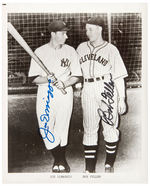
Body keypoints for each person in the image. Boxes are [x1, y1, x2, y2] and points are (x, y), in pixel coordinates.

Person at [28, 20, 82, 173]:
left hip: (64, 93)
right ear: (53, 34)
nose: (66, 36)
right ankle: (60, 159)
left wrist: (64, 84)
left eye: (66, 32)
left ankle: (59, 161)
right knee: (46, 126)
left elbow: (77, 75)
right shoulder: (39, 52)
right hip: (46, 92)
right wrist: (48, 79)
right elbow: (34, 78)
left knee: (62, 126)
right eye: (63, 33)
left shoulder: (70, 51)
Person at [76, 17, 128, 173]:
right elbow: (76, 70)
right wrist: (78, 84)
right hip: (88, 88)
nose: (87, 32)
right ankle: (89, 169)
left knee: (110, 126)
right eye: (86, 29)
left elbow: (119, 76)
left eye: (90, 29)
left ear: (99, 29)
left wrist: (121, 99)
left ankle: (108, 165)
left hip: (107, 88)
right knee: (89, 128)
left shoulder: (111, 49)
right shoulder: (81, 47)